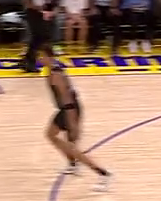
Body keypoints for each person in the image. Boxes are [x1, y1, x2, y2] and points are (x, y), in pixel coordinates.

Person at [43, 47, 111, 191]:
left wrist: (72, 121)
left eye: (41, 56)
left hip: (70, 110)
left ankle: (103, 173)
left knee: (73, 147)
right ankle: (73, 164)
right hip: (65, 109)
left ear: (49, 57)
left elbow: (67, 97)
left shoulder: (56, 74)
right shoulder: (51, 70)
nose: (39, 59)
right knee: (50, 134)